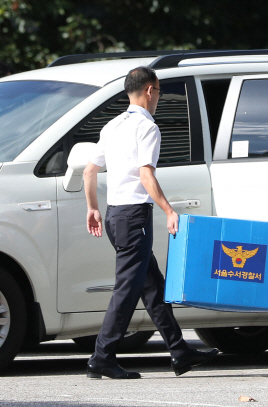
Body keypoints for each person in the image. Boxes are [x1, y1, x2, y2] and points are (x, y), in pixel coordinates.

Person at [83, 66, 218, 379]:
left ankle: (179, 351)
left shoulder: (113, 125)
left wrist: (93, 208)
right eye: (158, 91)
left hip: (116, 215)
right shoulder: (147, 127)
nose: (158, 97)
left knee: (153, 286)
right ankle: (102, 356)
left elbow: (90, 171)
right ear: (148, 91)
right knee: (127, 290)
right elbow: (146, 174)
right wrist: (170, 210)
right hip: (134, 216)